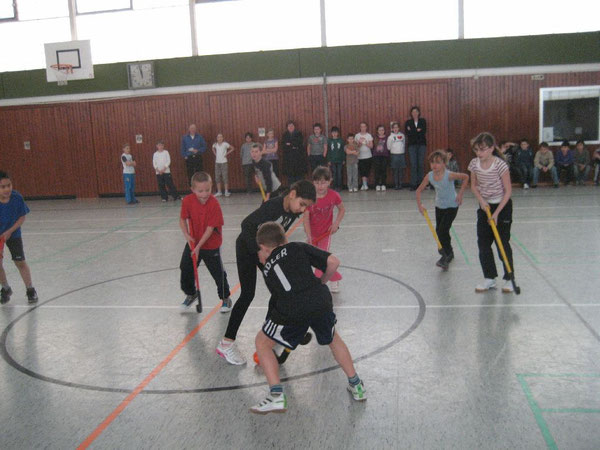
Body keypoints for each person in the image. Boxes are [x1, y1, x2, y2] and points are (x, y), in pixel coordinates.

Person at [250, 222, 366, 414]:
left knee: (262, 343)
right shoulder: (297, 247)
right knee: (333, 339)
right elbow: (334, 262)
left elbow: (279, 298)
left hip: (291, 308)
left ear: (263, 248)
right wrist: (321, 282)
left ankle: (276, 395)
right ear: (285, 238)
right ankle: (357, 385)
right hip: (320, 300)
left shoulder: (268, 268)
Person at [216, 180, 316, 365]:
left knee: (281, 290)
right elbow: (246, 224)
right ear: (292, 194)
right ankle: (226, 343)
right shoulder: (273, 206)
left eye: (306, 207)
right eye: (302, 204)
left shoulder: (292, 211)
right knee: (248, 294)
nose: (302, 210)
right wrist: (258, 250)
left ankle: (276, 331)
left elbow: (281, 234)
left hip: (267, 251)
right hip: (248, 247)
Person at [179, 172, 232, 313]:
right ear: (193, 190)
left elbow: (210, 229)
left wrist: (198, 247)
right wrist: (187, 235)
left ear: (211, 187)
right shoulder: (188, 201)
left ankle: (226, 298)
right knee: (185, 267)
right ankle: (191, 294)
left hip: (211, 244)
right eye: (200, 191)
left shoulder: (214, 204)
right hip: (193, 242)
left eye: (207, 190)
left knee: (218, 273)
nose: (204, 194)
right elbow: (182, 219)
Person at [468, 132, 515, 293]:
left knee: (502, 243)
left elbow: (508, 191)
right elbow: (473, 186)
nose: (478, 154)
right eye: (476, 150)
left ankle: (509, 278)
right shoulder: (474, 164)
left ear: (491, 148)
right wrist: (481, 201)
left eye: (482, 150)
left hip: (502, 207)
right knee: (483, 244)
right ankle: (489, 278)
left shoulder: (500, 165)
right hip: (485, 207)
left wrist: (496, 213)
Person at [415, 150, 469, 270]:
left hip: (452, 206)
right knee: (440, 230)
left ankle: (446, 254)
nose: (434, 165)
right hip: (439, 206)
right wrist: (420, 205)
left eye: (438, 162)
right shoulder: (429, 176)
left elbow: (466, 177)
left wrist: (460, 194)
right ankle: (449, 251)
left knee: (442, 230)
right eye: (432, 162)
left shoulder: (449, 175)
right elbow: (418, 191)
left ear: (444, 163)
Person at [303, 166, 345, 292]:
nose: (320, 186)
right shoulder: (310, 198)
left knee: (320, 259)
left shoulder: (334, 196)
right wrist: (309, 235)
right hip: (314, 235)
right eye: (317, 183)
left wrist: (336, 223)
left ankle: (315, 285)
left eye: (323, 183)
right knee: (319, 259)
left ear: (329, 181)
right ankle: (335, 277)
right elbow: (305, 219)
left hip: (326, 234)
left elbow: (342, 209)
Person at [0, 171, 38, 304]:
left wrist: (9, 231)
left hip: (13, 233)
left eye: (8, 185)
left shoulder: (17, 198)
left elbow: (22, 217)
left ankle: (30, 289)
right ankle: (5, 288)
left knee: (20, 262)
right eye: (3, 187)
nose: (7, 189)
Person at [405, 106, 427, 190]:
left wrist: (412, 131)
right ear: (411, 113)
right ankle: (413, 184)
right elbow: (408, 133)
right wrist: (417, 131)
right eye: (413, 112)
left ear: (418, 113)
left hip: (421, 145)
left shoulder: (423, 121)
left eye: (416, 112)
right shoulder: (408, 122)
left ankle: (421, 184)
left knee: (420, 164)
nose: (414, 113)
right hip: (412, 145)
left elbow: (423, 131)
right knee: (413, 164)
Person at [281, 121, 306, 186]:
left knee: (299, 176)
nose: (290, 127)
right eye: (289, 126)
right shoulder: (285, 134)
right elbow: (284, 145)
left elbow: (299, 143)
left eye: (292, 126)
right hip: (288, 158)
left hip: (298, 157)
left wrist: (290, 144)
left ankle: (300, 190)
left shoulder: (299, 133)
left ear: (294, 126)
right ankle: (292, 190)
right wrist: (293, 145)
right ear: (287, 127)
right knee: (290, 176)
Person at [387, 122, 406, 190]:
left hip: (401, 154)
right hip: (394, 155)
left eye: (397, 127)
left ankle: (400, 184)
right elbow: (388, 147)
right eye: (394, 127)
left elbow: (404, 144)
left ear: (399, 128)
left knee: (401, 170)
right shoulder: (390, 137)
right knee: (395, 170)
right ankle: (396, 184)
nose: (395, 129)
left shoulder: (402, 136)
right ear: (392, 129)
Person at [356, 122, 373, 191]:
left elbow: (371, 146)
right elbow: (355, 147)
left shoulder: (369, 135)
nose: (363, 128)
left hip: (368, 156)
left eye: (364, 126)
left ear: (366, 127)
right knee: (362, 171)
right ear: (360, 128)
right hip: (360, 156)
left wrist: (366, 143)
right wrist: (360, 143)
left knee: (367, 171)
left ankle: (365, 184)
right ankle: (364, 184)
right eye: (361, 127)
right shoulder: (357, 136)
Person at [326, 126, 345, 191]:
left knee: (339, 173)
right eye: (333, 132)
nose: (334, 134)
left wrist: (343, 159)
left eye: (336, 132)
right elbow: (328, 151)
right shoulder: (329, 141)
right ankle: (334, 186)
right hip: (332, 160)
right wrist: (328, 160)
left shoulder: (341, 141)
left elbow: (343, 151)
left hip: (339, 160)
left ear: (338, 133)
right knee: (334, 173)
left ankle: (339, 186)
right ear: (331, 133)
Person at [372, 125, 390, 191]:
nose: (381, 131)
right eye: (380, 130)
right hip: (376, 156)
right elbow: (372, 146)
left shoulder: (387, 138)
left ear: (384, 131)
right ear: (377, 131)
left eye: (382, 130)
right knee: (377, 170)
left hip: (385, 156)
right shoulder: (374, 138)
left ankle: (383, 184)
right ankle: (377, 184)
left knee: (383, 170)